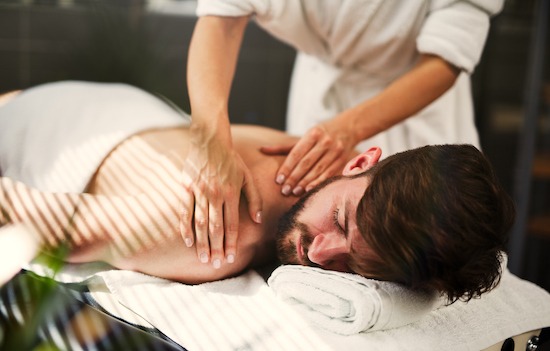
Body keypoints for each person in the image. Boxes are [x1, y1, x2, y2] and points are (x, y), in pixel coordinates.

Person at [0, 81, 513, 302]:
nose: (320, 253)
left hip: (108, 106)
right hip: (27, 122)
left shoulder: (309, 164)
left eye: (357, 267)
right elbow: (17, 211)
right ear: (359, 160)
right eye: (340, 221)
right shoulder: (205, 233)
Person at [182, 0, 505, 269]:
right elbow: (221, 22)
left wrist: (349, 128)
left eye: (339, 217)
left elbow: (444, 61)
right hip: (323, 85)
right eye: (337, 217)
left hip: (414, 105)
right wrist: (211, 137)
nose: (316, 254)